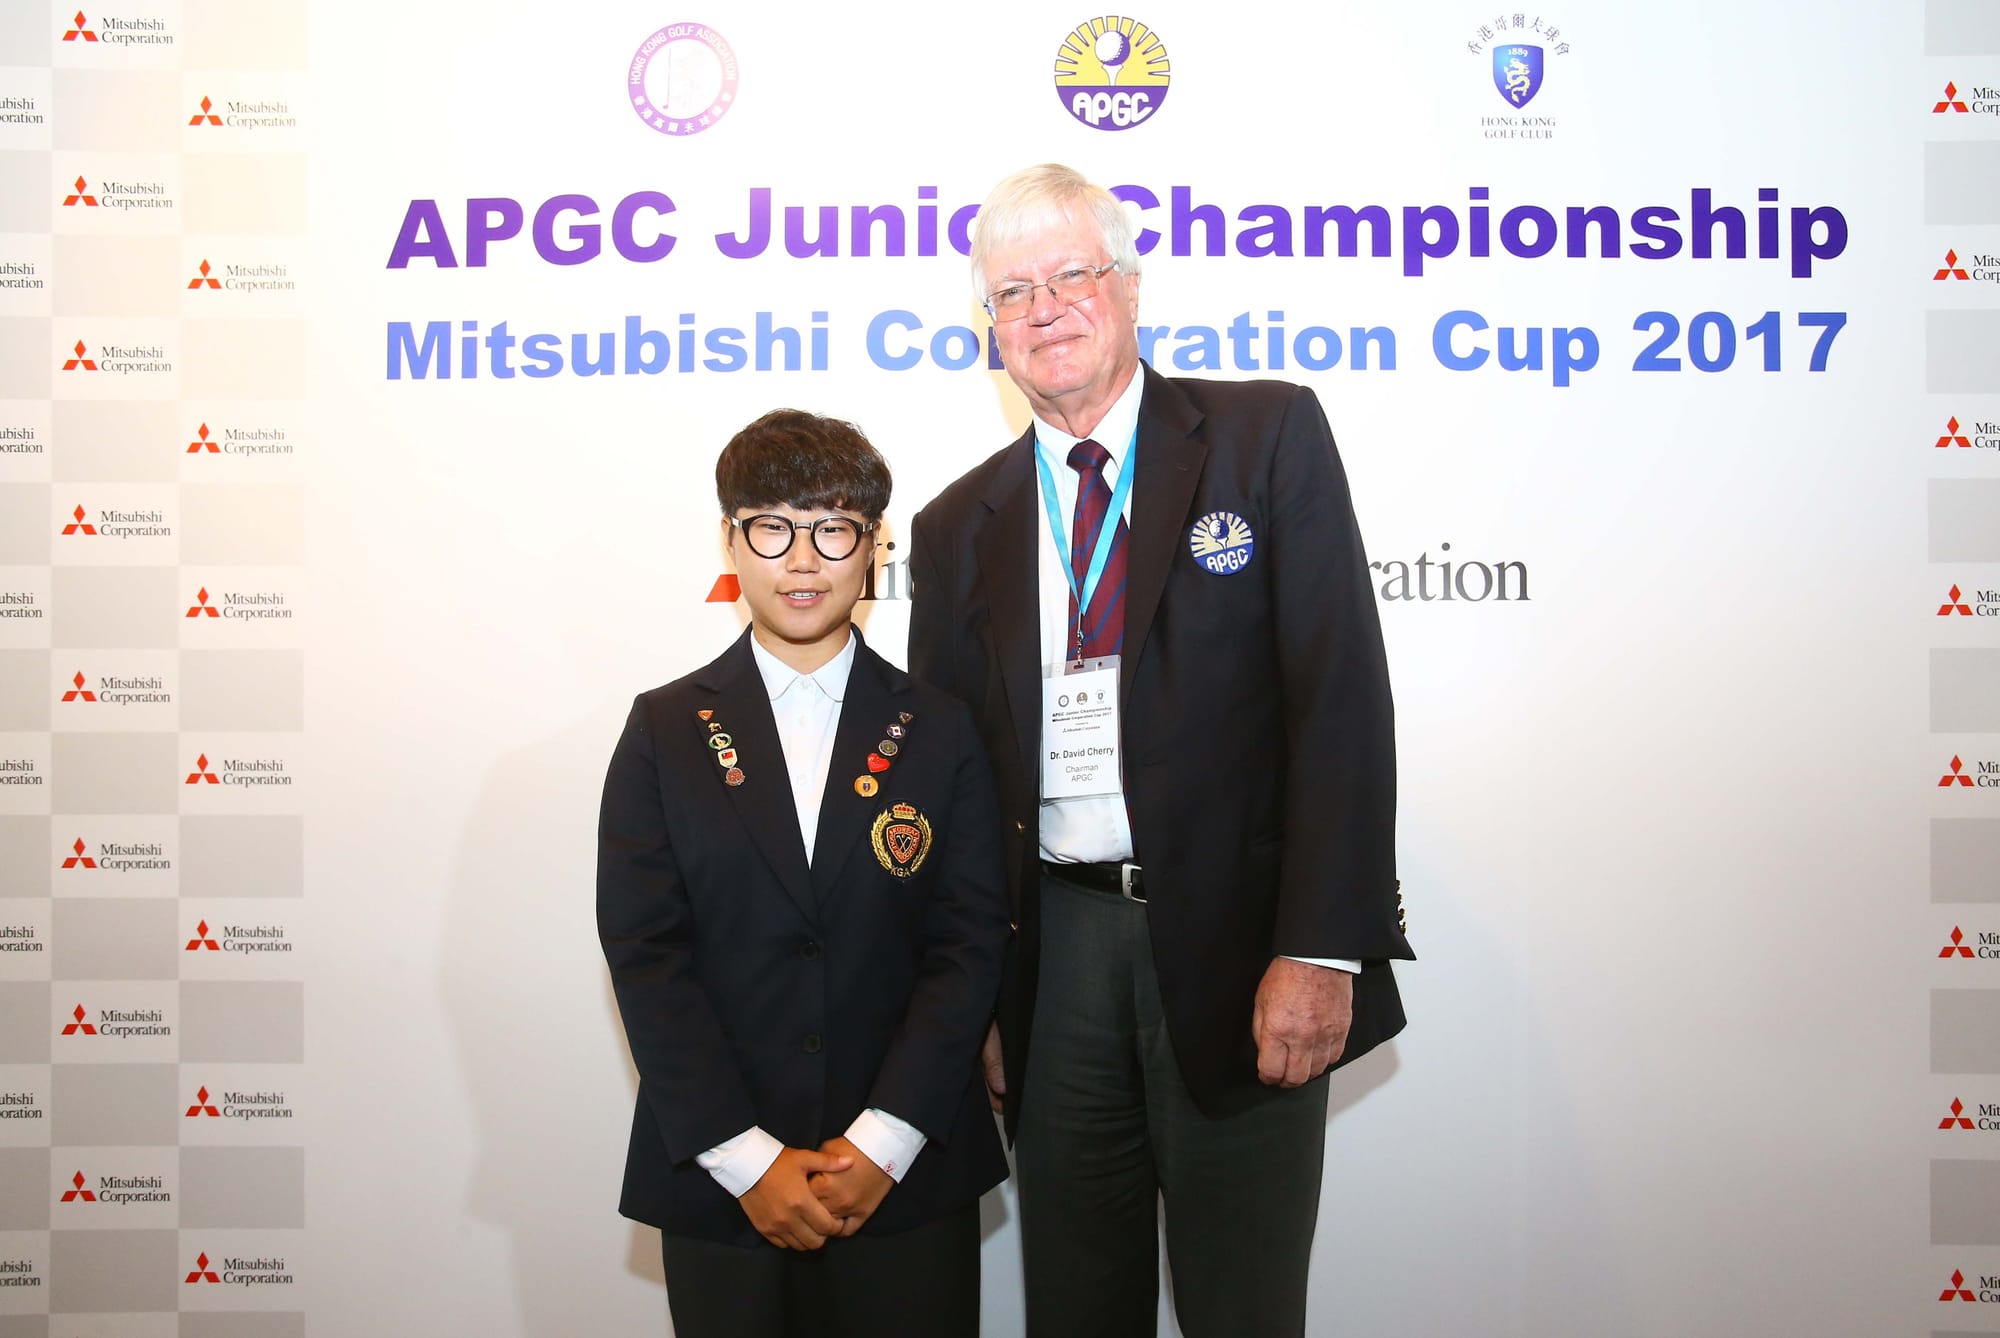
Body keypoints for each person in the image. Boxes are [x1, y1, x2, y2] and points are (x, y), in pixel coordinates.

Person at [908, 164, 1413, 1338]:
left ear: (1130, 287)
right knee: (1075, 1308)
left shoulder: (1263, 434)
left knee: (1243, 1307)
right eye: (1011, 291)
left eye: (1070, 275)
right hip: (1053, 959)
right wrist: (970, 998)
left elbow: (1337, 701)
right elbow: (953, 793)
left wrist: (1318, 949)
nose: (1043, 309)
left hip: (1244, 950)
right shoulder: (953, 527)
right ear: (988, 325)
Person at [598, 409, 1010, 1338]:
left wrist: (884, 1141)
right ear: (730, 541)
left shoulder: (941, 728)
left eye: (833, 529)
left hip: (906, 1178)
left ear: (873, 546)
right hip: (724, 1182)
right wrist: (747, 1160)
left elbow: (968, 942)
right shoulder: (665, 729)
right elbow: (645, 955)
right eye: (771, 528)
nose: (801, 560)